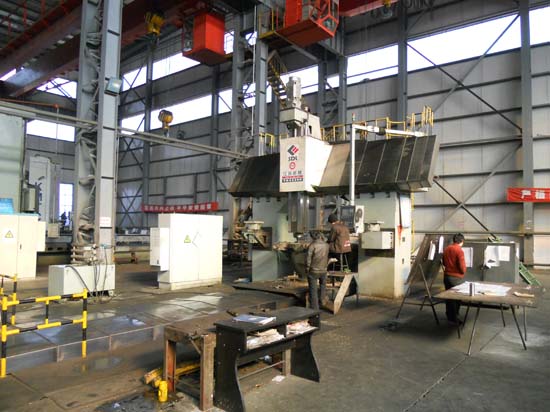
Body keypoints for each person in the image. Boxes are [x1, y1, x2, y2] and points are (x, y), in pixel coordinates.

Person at [442, 233, 466, 324]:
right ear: (462, 241)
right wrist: (463, 271)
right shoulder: (459, 250)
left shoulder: (447, 249)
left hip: (447, 277)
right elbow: (462, 267)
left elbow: (444, 263)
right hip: (456, 278)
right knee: (457, 298)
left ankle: (450, 316)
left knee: (449, 297)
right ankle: (454, 318)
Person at [306, 231, 329, 310]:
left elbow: (308, 259)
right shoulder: (326, 245)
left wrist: (307, 269)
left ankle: (315, 309)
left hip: (314, 271)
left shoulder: (312, 245)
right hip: (324, 270)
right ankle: (322, 300)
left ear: (313, 237)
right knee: (323, 286)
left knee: (313, 290)